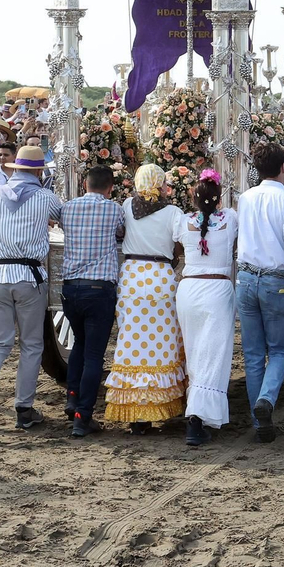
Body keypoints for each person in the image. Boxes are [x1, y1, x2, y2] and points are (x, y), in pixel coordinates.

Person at [0, 146, 61, 438]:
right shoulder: (46, 197)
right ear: (37, 171)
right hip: (28, 276)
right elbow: (65, 220)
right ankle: (23, 408)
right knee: (31, 345)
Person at [102, 164, 187, 431]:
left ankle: (136, 414)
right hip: (161, 277)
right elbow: (182, 243)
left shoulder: (127, 205)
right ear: (161, 184)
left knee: (131, 344)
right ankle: (159, 406)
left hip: (131, 278)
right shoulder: (173, 212)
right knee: (162, 348)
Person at [235, 142, 284, 442]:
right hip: (276, 280)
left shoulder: (245, 198)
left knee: (252, 354)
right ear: (282, 168)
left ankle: (258, 420)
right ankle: (266, 399)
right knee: (280, 350)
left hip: (246, 277)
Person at [54, 165, 126, 438]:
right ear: (110, 188)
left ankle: (72, 397)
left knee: (79, 345)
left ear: (85, 184)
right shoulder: (115, 209)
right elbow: (122, 234)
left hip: (72, 288)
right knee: (95, 354)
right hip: (99, 288)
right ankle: (83, 414)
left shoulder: (68, 208)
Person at [176, 170, 233, 446]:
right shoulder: (231, 219)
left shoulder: (183, 221)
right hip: (217, 290)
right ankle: (198, 417)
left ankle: (197, 413)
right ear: (219, 196)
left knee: (195, 351)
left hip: (188, 290)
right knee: (214, 355)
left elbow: (175, 248)